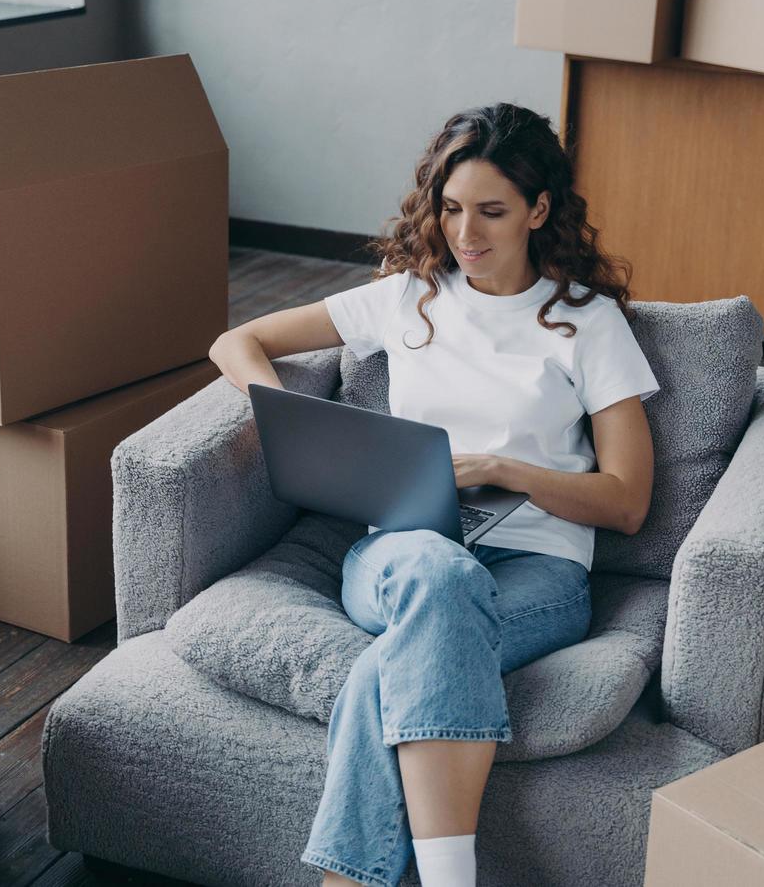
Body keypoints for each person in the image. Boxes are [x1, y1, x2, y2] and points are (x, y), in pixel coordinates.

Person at [207, 103, 659, 887]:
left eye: (491, 212)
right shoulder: (405, 297)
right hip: (401, 552)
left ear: (539, 209)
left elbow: (626, 502)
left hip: (540, 571)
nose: (465, 234)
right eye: (451, 209)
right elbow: (235, 342)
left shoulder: (587, 323)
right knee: (435, 575)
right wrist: (288, 418)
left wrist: (505, 470)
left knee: (383, 674)